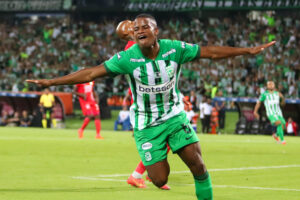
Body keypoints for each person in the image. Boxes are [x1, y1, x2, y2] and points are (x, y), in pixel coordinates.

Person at [27, 14, 275, 200]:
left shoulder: (175, 48)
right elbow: (91, 72)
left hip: (174, 116)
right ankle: (147, 171)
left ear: (156, 31)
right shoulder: (127, 58)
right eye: (135, 29)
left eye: (144, 27)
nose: (139, 31)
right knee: (159, 178)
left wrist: (246, 50)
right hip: (146, 125)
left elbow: (209, 52)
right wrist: (51, 82)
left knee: (198, 165)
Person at [117, 21, 170, 190]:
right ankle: (138, 175)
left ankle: (149, 173)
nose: (138, 26)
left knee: (167, 137)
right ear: (128, 32)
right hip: (148, 102)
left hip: (155, 98)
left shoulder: (134, 45)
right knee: (165, 137)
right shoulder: (134, 47)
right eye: (133, 25)